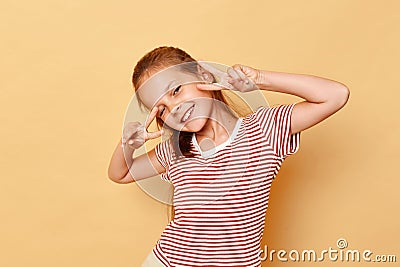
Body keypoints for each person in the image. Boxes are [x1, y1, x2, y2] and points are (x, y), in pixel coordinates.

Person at [108, 46, 350, 267]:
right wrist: (127, 145)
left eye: (176, 90)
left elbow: (335, 95)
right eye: (161, 110)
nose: (174, 109)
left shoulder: (265, 130)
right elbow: (121, 174)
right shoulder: (176, 151)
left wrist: (260, 80)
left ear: (203, 75)